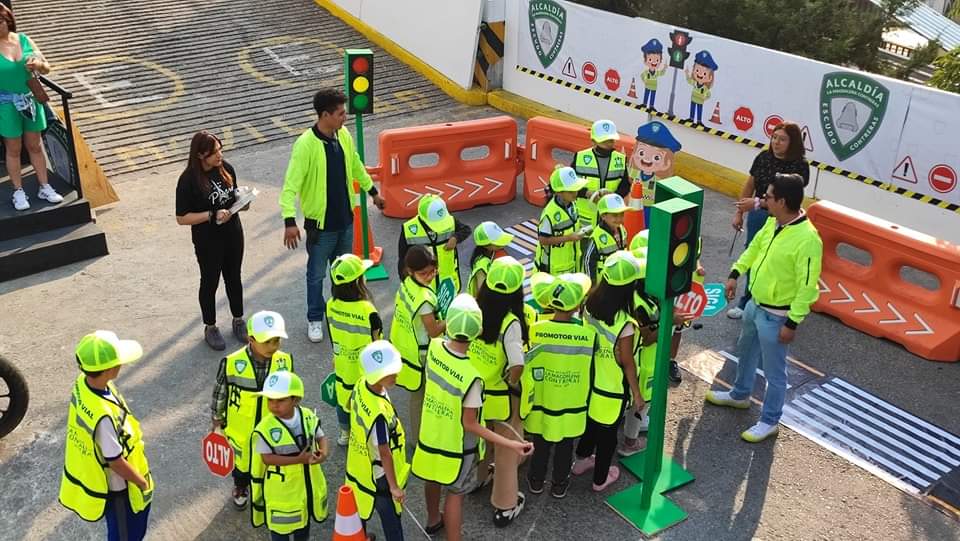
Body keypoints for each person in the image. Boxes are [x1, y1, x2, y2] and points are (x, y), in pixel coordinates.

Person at [709, 173, 822, 442]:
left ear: (781, 201)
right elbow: (754, 250)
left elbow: (808, 287)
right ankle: (740, 394)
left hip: (777, 316)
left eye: (768, 196)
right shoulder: (773, 223)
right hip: (754, 306)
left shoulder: (808, 240)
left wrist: (792, 323)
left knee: (775, 373)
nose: (763, 200)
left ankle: (770, 420)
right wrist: (735, 273)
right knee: (745, 352)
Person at [411, 294, 534, 541]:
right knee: (456, 494)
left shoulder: (434, 348)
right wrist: (512, 443)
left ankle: (433, 519)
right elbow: (471, 424)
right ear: (477, 332)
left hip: (431, 434)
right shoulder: (472, 378)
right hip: (457, 447)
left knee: (433, 479)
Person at [280, 88, 386, 343]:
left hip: (345, 222)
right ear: (325, 115)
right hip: (321, 227)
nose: (344, 118)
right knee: (316, 275)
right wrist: (289, 221)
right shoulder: (305, 145)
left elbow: (355, 164)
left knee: (345, 272)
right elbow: (290, 185)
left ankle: (344, 311)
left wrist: (373, 192)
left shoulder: (343, 135)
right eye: (340, 114)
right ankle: (315, 318)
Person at [59, 331, 153, 541]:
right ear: (111, 369)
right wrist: (141, 482)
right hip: (119, 487)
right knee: (126, 534)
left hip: (112, 478)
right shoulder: (103, 418)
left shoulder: (83, 383)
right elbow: (115, 461)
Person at [572, 251, 645, 491]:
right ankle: (600, 479)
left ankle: (581, 461)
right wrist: (636, 393)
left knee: (591, 425)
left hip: (587, 382)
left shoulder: (589, 304)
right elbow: (626, 361)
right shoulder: (625, 323)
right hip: (610, 388)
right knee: (607, 436)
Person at [210, 311, 294, 510]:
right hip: (241, 429)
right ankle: (241, 487)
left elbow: (292, 391)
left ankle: (266, 489)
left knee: (268, 461)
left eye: (277, 341)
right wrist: (217, 418)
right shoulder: (231, 363)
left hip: (271, 424)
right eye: (268, 342)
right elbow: (220, 391)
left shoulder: (285, 361)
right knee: (242, 465)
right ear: (251, 339)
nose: (273, 347)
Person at [522, 272, 595, 499]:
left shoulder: (536, 329)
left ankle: (536, 481)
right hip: (571, 403)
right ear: (576, 307)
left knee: (541, 443)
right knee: (565, 445)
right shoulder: (587, 334)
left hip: (542, 400)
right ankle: (559, 484)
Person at [728, 121, 810, 319]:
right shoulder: (763, 158)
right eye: (774, 137)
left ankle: (781, 303)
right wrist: (740, 212)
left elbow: (786, 201)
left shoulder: (800, 167)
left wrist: (757, 203)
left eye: (782, 139)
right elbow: (749, 185)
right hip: (758, 217)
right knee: (753, 254)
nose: (776, 142)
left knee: (777, 261)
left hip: (784, 219)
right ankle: (747, 300)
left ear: (793, 143)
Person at [469, 256, 528, 527]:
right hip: (500, 397)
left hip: (474, 391)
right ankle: (505, 505)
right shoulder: (511, 322)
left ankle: (479, 478)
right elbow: (517, 363)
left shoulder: (477, 310)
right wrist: (511, 378)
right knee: (505, 451)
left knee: (482, 441)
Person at [176, 131, 248, 350]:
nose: (220, 155)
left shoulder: (226, 168)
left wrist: (243, 201)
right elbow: (181, 218)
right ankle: (210, 326)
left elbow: (234, 197)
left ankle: (238, 320)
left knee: (234, 277)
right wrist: (210, 215)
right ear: (200, 155)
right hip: (208, 240)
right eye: (214, 152)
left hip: (233, 234)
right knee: (210, 282)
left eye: (220, 149)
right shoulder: (188, 180)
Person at [251, 371, 329, 541]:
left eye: (280, 400)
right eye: (270, 400)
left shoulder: (307, 416)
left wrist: (323, 453)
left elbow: (320, 436)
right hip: (282, 493)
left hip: (306, 486)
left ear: (295, 400)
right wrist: (298, 460)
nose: (274, 405)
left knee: (303, 525)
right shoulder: (265, 428)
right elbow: (267, 458)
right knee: (281, 530)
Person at [0, 4, 63, 211]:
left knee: (35, 145)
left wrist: (37, 65)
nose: (0, 25)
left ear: (8, 19)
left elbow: (46, 66)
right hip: (6, 103)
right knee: (13, 148)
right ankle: (18, 191)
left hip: (30, 99)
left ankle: (44, 186)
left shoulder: (24, 39)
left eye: (1, 20)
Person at [346, 341, 409, 541]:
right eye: (391, 373)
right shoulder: (378, 416)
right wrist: (394, 487)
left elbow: (350, 406)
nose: (396, 375)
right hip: (380, 474)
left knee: (359, 506)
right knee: (390, 516)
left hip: (359, 464)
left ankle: (360, 537)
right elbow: (384, 452)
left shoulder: (361, 383)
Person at [389, 245, 446, 448]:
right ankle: (420, 440)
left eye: (433, 271)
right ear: (410, 271)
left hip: (405, 346)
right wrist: (451, 318)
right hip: (419, 354)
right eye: (424, 273)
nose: (430, 276)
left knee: (417, 396)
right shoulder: (424, 299)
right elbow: (433, 331)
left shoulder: (407, 284)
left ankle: (418, 436)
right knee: (420, 397)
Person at [327, 254, 382, 447]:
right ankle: (364, 435)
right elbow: (377, 339)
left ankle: (345, 433)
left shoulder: (331, 305)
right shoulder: (368, 310)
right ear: (358, 281)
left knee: (343, 400)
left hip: (342, 364)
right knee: (366, 401)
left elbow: (332, 333)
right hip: (365, 369)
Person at [397, 194, 471, 294]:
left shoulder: (449, 221)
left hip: (447, 284)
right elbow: (402, 259)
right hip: (423, 287)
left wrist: (456, 238)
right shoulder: (409, 230)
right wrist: (406, 282)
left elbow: (466, 229)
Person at [571, 120, 630, 230]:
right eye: (604, 141)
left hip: (609, 218)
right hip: (584, 217)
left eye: (611, 140)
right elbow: (569, 184)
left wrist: (613, 196)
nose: (608, 144)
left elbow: (625, 185)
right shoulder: (580, 157)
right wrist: (586, 193)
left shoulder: (620, 159)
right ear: (593, 141)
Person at [536, 166, 588, 275]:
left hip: (570, 264)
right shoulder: (549, 213)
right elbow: (543, 240)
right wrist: (568, 238)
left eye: (576, 189)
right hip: (552, 270)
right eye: (571, 191)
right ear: (559, 192)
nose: (575, 193)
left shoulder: (572, 203)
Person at [582, 193, 629, 281]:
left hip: (617, 279)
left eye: (621, 214)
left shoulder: (622, 229)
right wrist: (592, 285)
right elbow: (587, 261)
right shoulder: (596, 237)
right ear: (603, 216)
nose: (619, 219)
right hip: (602, 283)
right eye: (615, 215)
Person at [467, 221, 514, 297]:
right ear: (486, 245)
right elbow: (483, 294)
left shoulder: (492, 254)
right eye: (497, 240)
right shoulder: (482, 265)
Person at [685, 50, 718, 125]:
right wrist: (687, 74)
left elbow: (708, 95)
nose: (700, 74)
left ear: (710, 78)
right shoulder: (694, 83)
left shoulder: (705, 88)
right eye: (697, 70)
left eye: (704, 73)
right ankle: (691, 118)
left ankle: (699, 121)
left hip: (700, 101)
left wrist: (704, 98)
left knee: (699, 110)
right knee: (692, 109)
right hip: (693, 99)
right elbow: (689, 80)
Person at [639, 38, 667, 110]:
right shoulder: (647, 72)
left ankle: (651, 106)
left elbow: (662, 73)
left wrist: (664, 68)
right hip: (647, 86)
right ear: (645, 61)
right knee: (646, 95)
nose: (654, 62)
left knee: (652, 96)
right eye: (650, 60)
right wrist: (644, 81)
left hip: (654, 87)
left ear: (660, 61)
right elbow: (642, 75)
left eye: (657, 60)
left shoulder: (656, 72)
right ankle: (645, 104)